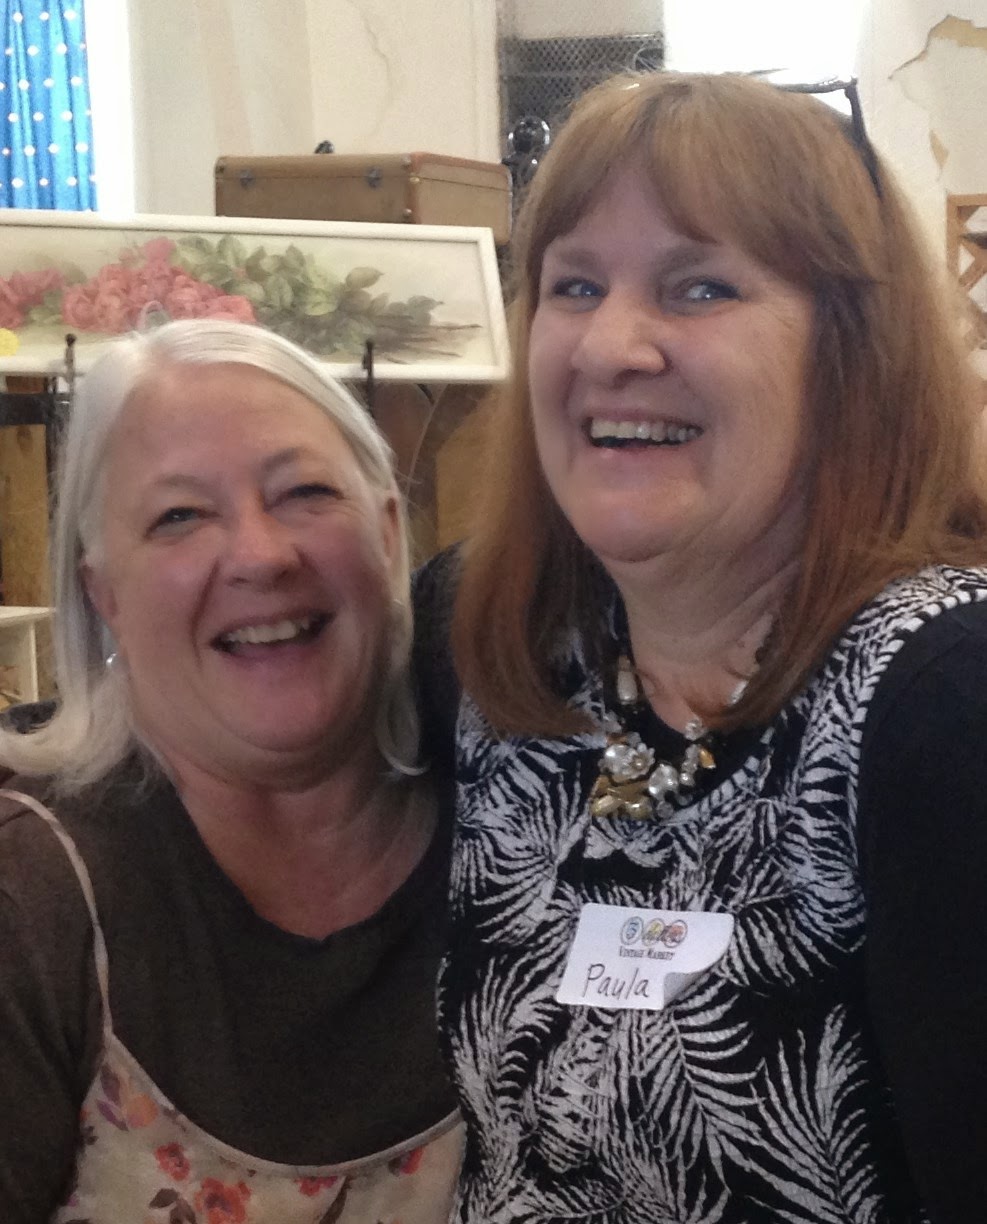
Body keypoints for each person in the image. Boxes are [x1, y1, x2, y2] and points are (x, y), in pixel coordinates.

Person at [414, 72, 987, 1223]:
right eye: (575, 285)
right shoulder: (487, 640)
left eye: (701, 287)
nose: (611, 344)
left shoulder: (941, 703)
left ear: (851, 353)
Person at [0, 319, 461, 1223]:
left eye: (304, 492)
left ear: (387, 532)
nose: (260, 555)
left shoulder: (521, 822)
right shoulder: (28, 897)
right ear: (105, 593)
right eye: (179, 516)